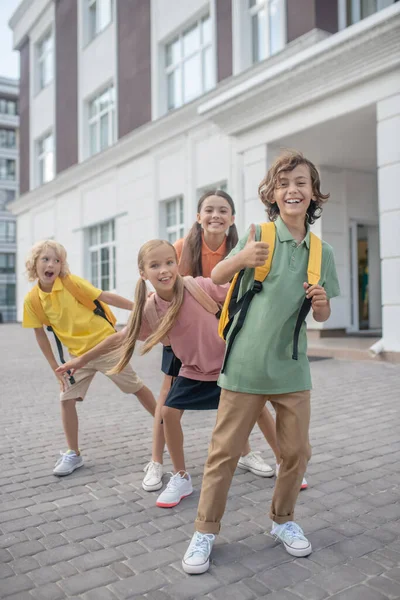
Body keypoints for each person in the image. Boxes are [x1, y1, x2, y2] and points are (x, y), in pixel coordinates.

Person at [182, 150, 341, 574]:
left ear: (313, 194)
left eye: (302, 183)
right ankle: (204, 531)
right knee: (224, 453)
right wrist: (239, 259)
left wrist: (322, 305)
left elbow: (322, 315)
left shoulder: (321, 251)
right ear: (272, 193)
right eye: (285, 183)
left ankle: (283, 521)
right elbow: (215, 278)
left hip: (292, 368)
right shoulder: (258, 232)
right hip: (247, 365)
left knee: (296, 453)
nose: (293, 190)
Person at [57, 239, 279, 509]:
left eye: (169, 262)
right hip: (193, 371)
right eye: (155, 265)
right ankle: (181, 477)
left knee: (258, 409)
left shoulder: (198, 286)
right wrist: (80, 360)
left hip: (227, 367)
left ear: (177, 264)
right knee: (168, 413)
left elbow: (240, 292)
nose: (164, 270)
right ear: (143, 273)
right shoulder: (150, 309)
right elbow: (120, 337)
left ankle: (284, 462)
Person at [146, 189, 278, 494]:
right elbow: (169, 285)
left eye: (222, 210)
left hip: (227, 330)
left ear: (232, 219)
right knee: (167, 396)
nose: (215, 216)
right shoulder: (183, 247)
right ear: (198, 217)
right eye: (208, 210)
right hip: (185, 330)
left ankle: (246, 453)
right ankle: (156, 461)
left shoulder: (238, 246)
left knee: (241, 394)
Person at [23, 240, 157, 476]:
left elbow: (104, 296)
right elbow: (40, 336)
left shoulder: (70, 283)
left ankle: (166, 425)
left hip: (106, 346)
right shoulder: (32, 300)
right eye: (46, 259)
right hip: (77, 358)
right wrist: (56, 367)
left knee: (136, 387)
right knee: (66, 400)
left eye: (57, 260)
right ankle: (73, 453)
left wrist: (138, 307)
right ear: (34, 264)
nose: (51, 264)